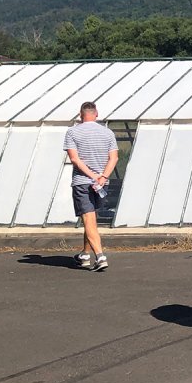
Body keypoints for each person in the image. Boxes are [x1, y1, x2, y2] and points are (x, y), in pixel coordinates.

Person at [64, 101, 118, 271]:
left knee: (88, 220)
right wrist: (103, 177)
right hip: (102, 184)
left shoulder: (72, 132)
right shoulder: (108, 133)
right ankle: (85, 255)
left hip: (82, 182)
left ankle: (100, 256)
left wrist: (93, 176)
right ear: (96, 114)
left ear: (81, 115)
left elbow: (75, 159)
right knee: (91, 220)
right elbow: (114, 158)